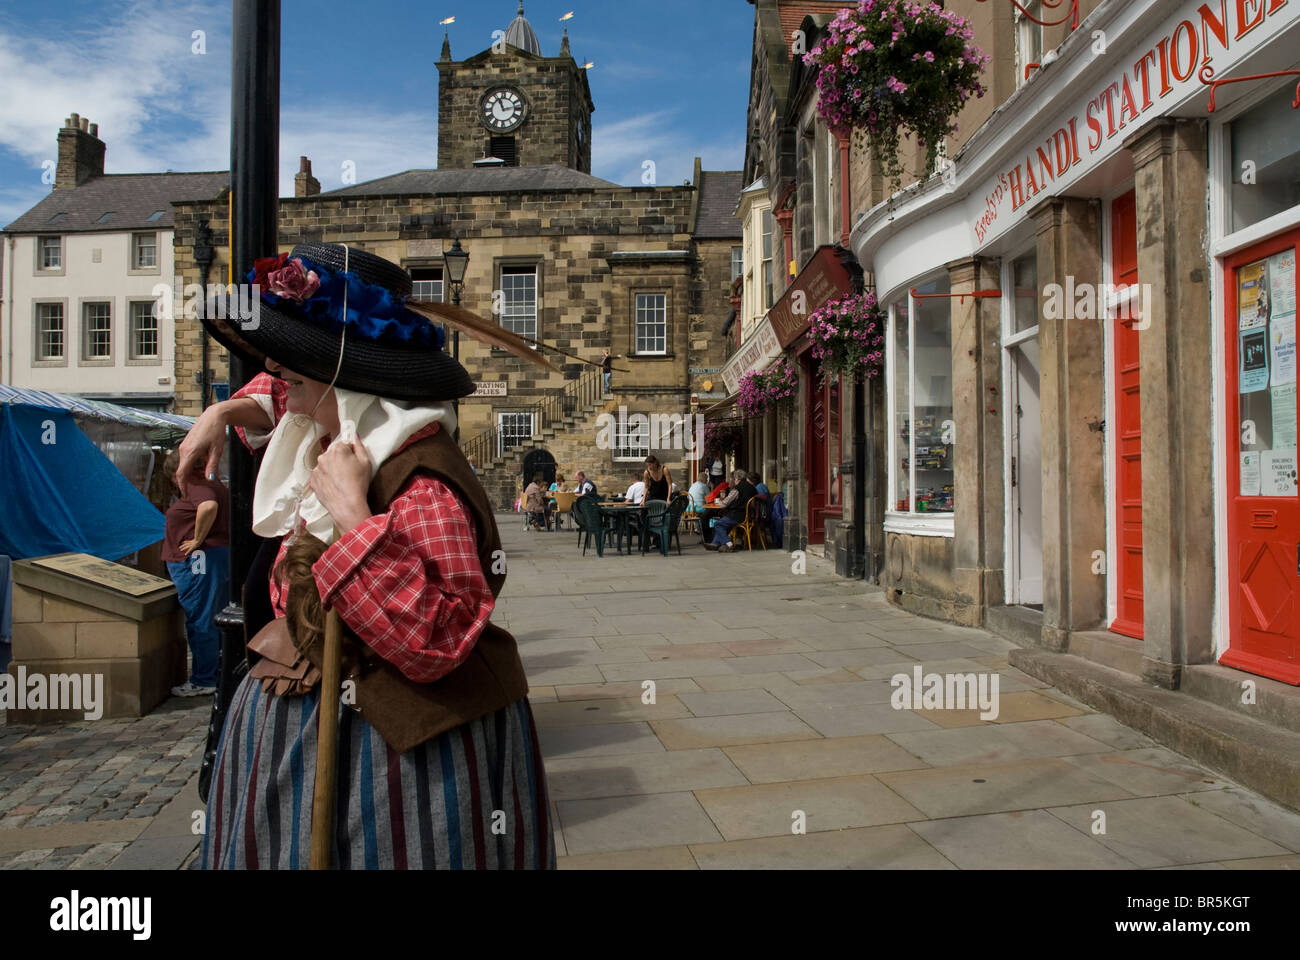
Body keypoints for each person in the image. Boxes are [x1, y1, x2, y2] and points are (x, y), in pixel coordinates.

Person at [182, 242, 553, 870]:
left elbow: (436, 638)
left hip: (394, 758)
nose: (278, 378)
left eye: (297, 365)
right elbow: (279, 392)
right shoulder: (337, 430)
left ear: (349, 378)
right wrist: (222, 410)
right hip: (305, 721)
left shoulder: (416, 477)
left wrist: (356, 523)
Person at [161, 450, 231, 697]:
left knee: (201, 617)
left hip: (199, 561)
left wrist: (197, 538)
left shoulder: (196, 485)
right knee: (212, 616)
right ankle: (214, 674)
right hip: (213, 558)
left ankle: (204, 678)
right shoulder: (213, 483)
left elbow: (208, 506)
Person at [707, 470, 757, 553]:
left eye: (733, 479)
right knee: (724, 524)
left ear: (737, 479)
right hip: (749, 516)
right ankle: (715, 543)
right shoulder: (753, 488)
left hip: (738, 516)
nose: (733, 480)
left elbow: (724, 504)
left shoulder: (737, 489)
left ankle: (729, 544)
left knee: (718, 524)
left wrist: (719, 502)